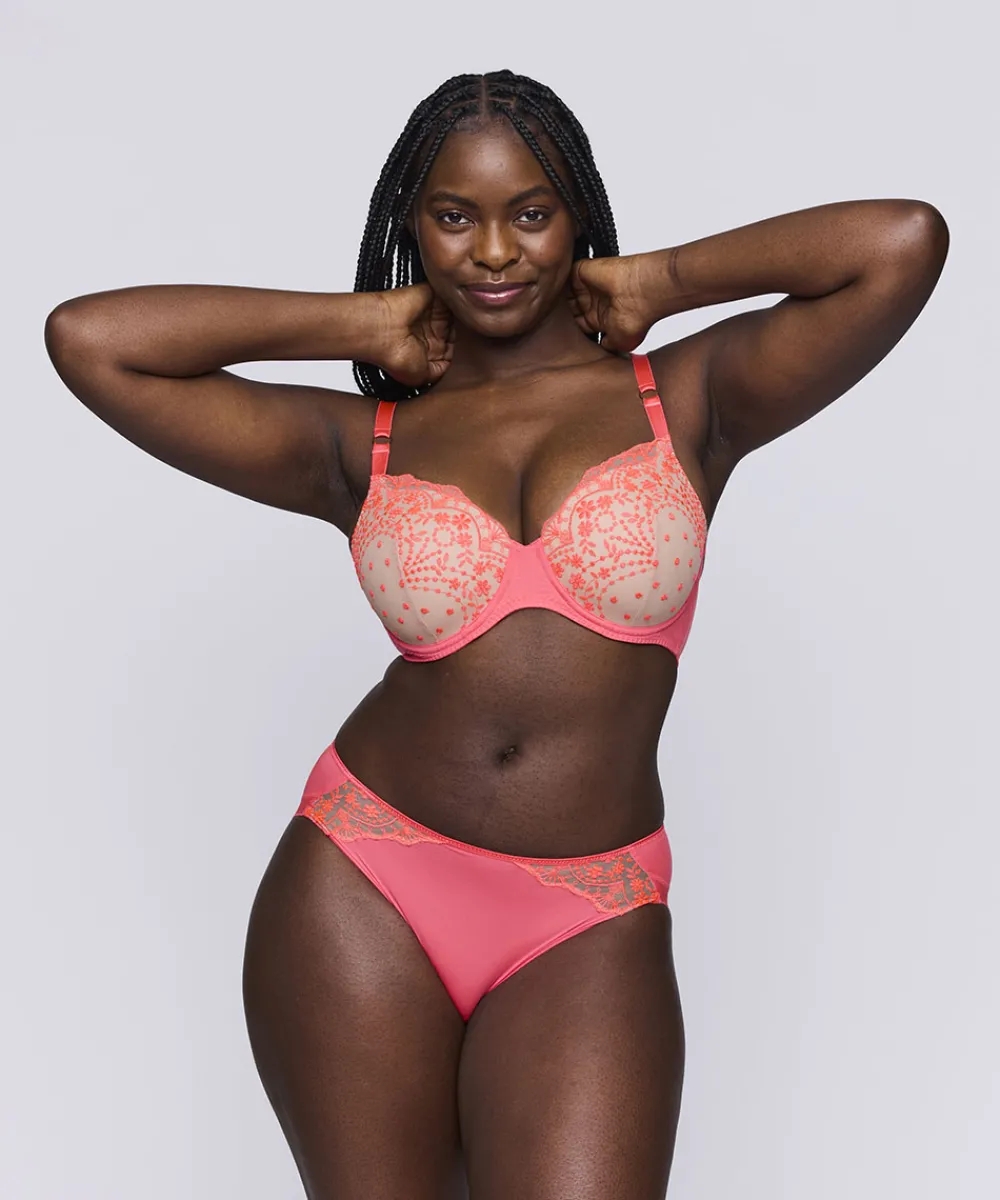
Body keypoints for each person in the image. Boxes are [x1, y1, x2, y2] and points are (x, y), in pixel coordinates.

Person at [44, 69, 948, 1200]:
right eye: (453, 217)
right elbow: (92, 340)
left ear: (576, 219)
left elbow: (899, 243)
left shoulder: (689, 399)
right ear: (412, 229)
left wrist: (660, 280)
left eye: (530, 212)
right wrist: (358, 320)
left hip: (589, 908)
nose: (493, 252)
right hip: (365, 877)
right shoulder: (360, 443)